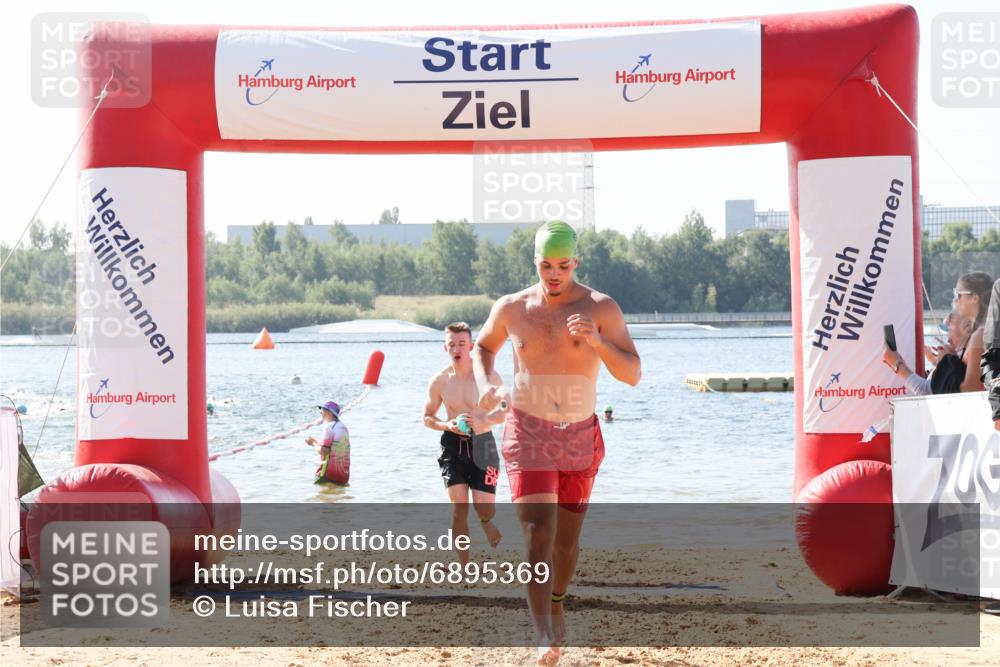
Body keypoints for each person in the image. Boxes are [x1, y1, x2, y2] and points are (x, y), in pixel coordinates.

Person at [472, 220, 641, 665]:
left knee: (566, 546)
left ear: (576, 263)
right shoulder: (512, 308)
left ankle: (558, 601)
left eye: (563, 265)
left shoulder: (602, 307)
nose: (554, 273)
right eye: (546, 265)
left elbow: (632, 374)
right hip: (528, 430)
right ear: (535, 262)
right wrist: (486, 380)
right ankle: (544, 634)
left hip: (580, 435)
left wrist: (597, 340)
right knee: (537, 533)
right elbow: (483, 347)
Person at [423, 322, 507, 564]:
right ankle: (464, 565)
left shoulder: (487, 376)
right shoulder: (439, 380)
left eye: (461, 344)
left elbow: (505, 409)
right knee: (459, 509)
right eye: (451, 345)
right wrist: (446, 425)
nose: (456, 349)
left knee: (485, 509)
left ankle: (486, 521)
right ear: (445, 348)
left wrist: (485, 420)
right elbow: (427, 418)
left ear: (470, 346)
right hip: (452, 444)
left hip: (483, 443)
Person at [883, 310, 974, 395]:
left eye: (950, 327)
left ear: (967, 327)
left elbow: (927, 392)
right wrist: (938, 363)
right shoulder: (959, 355)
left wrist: (897, 365)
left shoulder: (969, 352)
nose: (948, 338)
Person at [305, 400, 350, 484]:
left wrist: (313, 443)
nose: (320, 412)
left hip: (327, 475)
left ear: (328, 412)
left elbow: (324, 451)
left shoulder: (329, 427)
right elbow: (333, 449)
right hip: (343, 476)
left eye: (321, 410)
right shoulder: (344, 427)